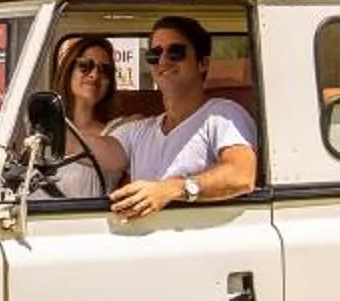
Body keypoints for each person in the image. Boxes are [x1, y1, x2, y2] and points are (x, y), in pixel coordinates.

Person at [109, 15, 257, 220]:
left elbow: (241, 175)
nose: (163, 61)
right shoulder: (138, 130)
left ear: (202, 63)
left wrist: (172, 189)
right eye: (154, 54)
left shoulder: (222, 115)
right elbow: (90, 151)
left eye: (176, 52)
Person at [36, 32, 126, 198]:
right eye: (85, 66)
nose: (94, 75)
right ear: (69, 71)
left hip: (82, 221)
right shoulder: (40, 127)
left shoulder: (118, 130)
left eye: (105, 70)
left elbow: (121, 158)